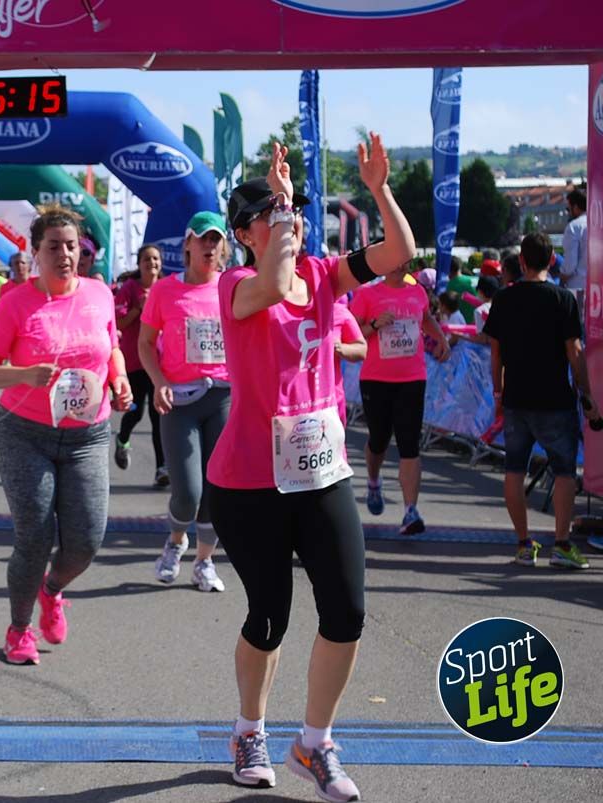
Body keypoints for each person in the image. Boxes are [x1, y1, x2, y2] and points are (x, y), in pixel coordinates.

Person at [209, 134, 414, 801]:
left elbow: (400, 254)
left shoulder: (326, 275)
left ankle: (315, 741)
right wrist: (282, 207)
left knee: (347, 611)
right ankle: (248, 730)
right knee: (269, 616)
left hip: (322, 474)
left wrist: (379, 189)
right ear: (245, 234)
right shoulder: (238, 284)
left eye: (291, 212)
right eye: (268, 214)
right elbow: (273, 283)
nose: (287, 220)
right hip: (249, 482)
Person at [0, 205, 133, 666]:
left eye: (71, 246)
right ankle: (19, 629)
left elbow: (113, 348)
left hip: (88, 434)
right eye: (53, 247)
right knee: (35, 537)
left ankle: (52, 589)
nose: (64, 255)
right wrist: (25, 374)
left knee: (86, 541)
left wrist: (120, 380)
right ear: (36, 253)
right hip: (26, 433)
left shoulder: (99, 293)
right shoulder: (16, 302)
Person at [484, 232, 595, 570]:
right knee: (564, 472)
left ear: (521, 261)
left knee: (514, 470)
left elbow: (495, 354)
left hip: (516, 398)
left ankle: (523, 544)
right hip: (555, 398)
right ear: (551, 260)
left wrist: (498, 394)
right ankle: (561, 544)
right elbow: (575, 352)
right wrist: (586, 394)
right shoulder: (563, 299)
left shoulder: (504, 298)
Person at [139, 212, 232, 590]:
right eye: (203, 239)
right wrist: (159, 381)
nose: (209, 246)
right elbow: (146, 343)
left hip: (223, 397)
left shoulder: (232, 286)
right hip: (179, 400)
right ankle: (176, 542)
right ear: (188, 244)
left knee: (217, 489)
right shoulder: (165, 291)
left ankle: (205, 562)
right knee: (188, 492)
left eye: (216, 240)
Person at [350, 262, 450, 535]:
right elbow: (351, 333)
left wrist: (441, 339)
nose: (399, 265)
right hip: (376, 379)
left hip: (412, 378)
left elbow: (425, 318)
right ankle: (373, 481)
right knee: (379, 440)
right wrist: (374, 324)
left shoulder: (417, 292)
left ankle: (410, 511)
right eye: (394, 260)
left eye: (404, 261)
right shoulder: (367, 295)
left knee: (410, 444)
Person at [115, 244, 168, 485]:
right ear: (139, 264)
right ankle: (122, 438)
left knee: (158, 417)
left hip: (160, 362)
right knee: (135, 412)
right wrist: (139, 308)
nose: (152, 263)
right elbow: (119, 324)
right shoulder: (129, 288)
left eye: (155, 259)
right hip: (135, 361)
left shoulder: (165, 287)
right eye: (147, 259)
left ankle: (161, 468)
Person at [331, 299, 367, 428]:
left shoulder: (338, 311)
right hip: (290, 402)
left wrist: (340, 348)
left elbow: (361, 349)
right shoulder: (280, 308)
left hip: (330, 401)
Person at [560, 188, 587, 293]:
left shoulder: (573, 227)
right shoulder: (597, 224)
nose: (568, 212)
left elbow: (570, 265)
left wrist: (561, 277)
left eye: (568, 208)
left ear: (575, 207)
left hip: (577, 287)